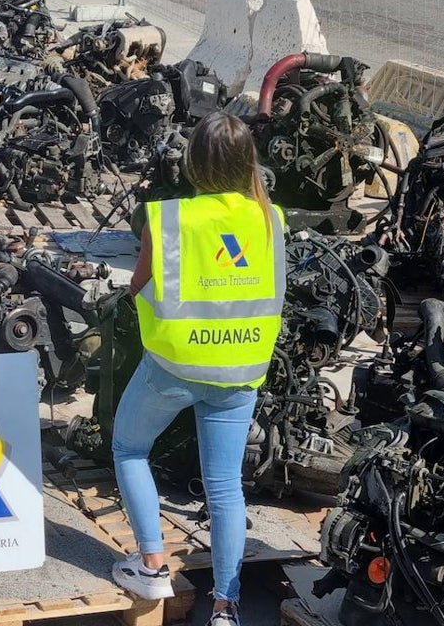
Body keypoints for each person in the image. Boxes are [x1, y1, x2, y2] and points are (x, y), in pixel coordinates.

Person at [109, 113, 285, 626]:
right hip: (240, 371)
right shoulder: (270, 218)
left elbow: (137, 285)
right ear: (248, 161)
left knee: (129, 447)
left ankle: (151, 566)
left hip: (174, 367)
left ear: (193, 162)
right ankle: (226, 608)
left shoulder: (168, 218)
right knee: (225, 485)